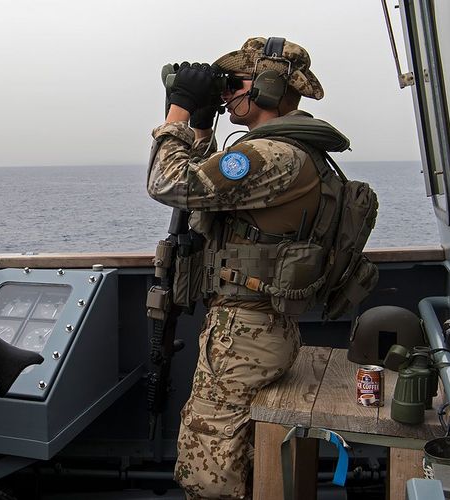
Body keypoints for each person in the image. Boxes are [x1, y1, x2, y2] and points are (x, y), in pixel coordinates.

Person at [146, 37, 343, 499]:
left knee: (210, 473)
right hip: (255, 331)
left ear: (270, 88)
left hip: (245, 338)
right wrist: (199, 124)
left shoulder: (274, 154)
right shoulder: (286, 149)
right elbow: (210, 190)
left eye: (237, 82)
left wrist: (176, 112)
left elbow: (170, 183)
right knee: (238, 461)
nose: (228, 91)